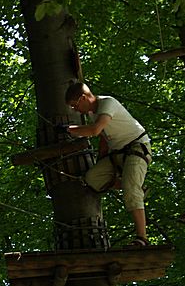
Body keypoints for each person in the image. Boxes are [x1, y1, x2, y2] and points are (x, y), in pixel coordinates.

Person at [64, 82, 152, 246]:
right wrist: (101, 161)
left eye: (75, 106)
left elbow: (95, 130)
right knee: (92, 179)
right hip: (116, 154)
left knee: (131, 191)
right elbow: (104, 138)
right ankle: (133, 185)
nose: (75, 110)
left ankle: (142, 239)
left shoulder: (107, 103)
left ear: (83, 98)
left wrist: (69, 130)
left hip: (136, 148)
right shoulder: (92, 113)